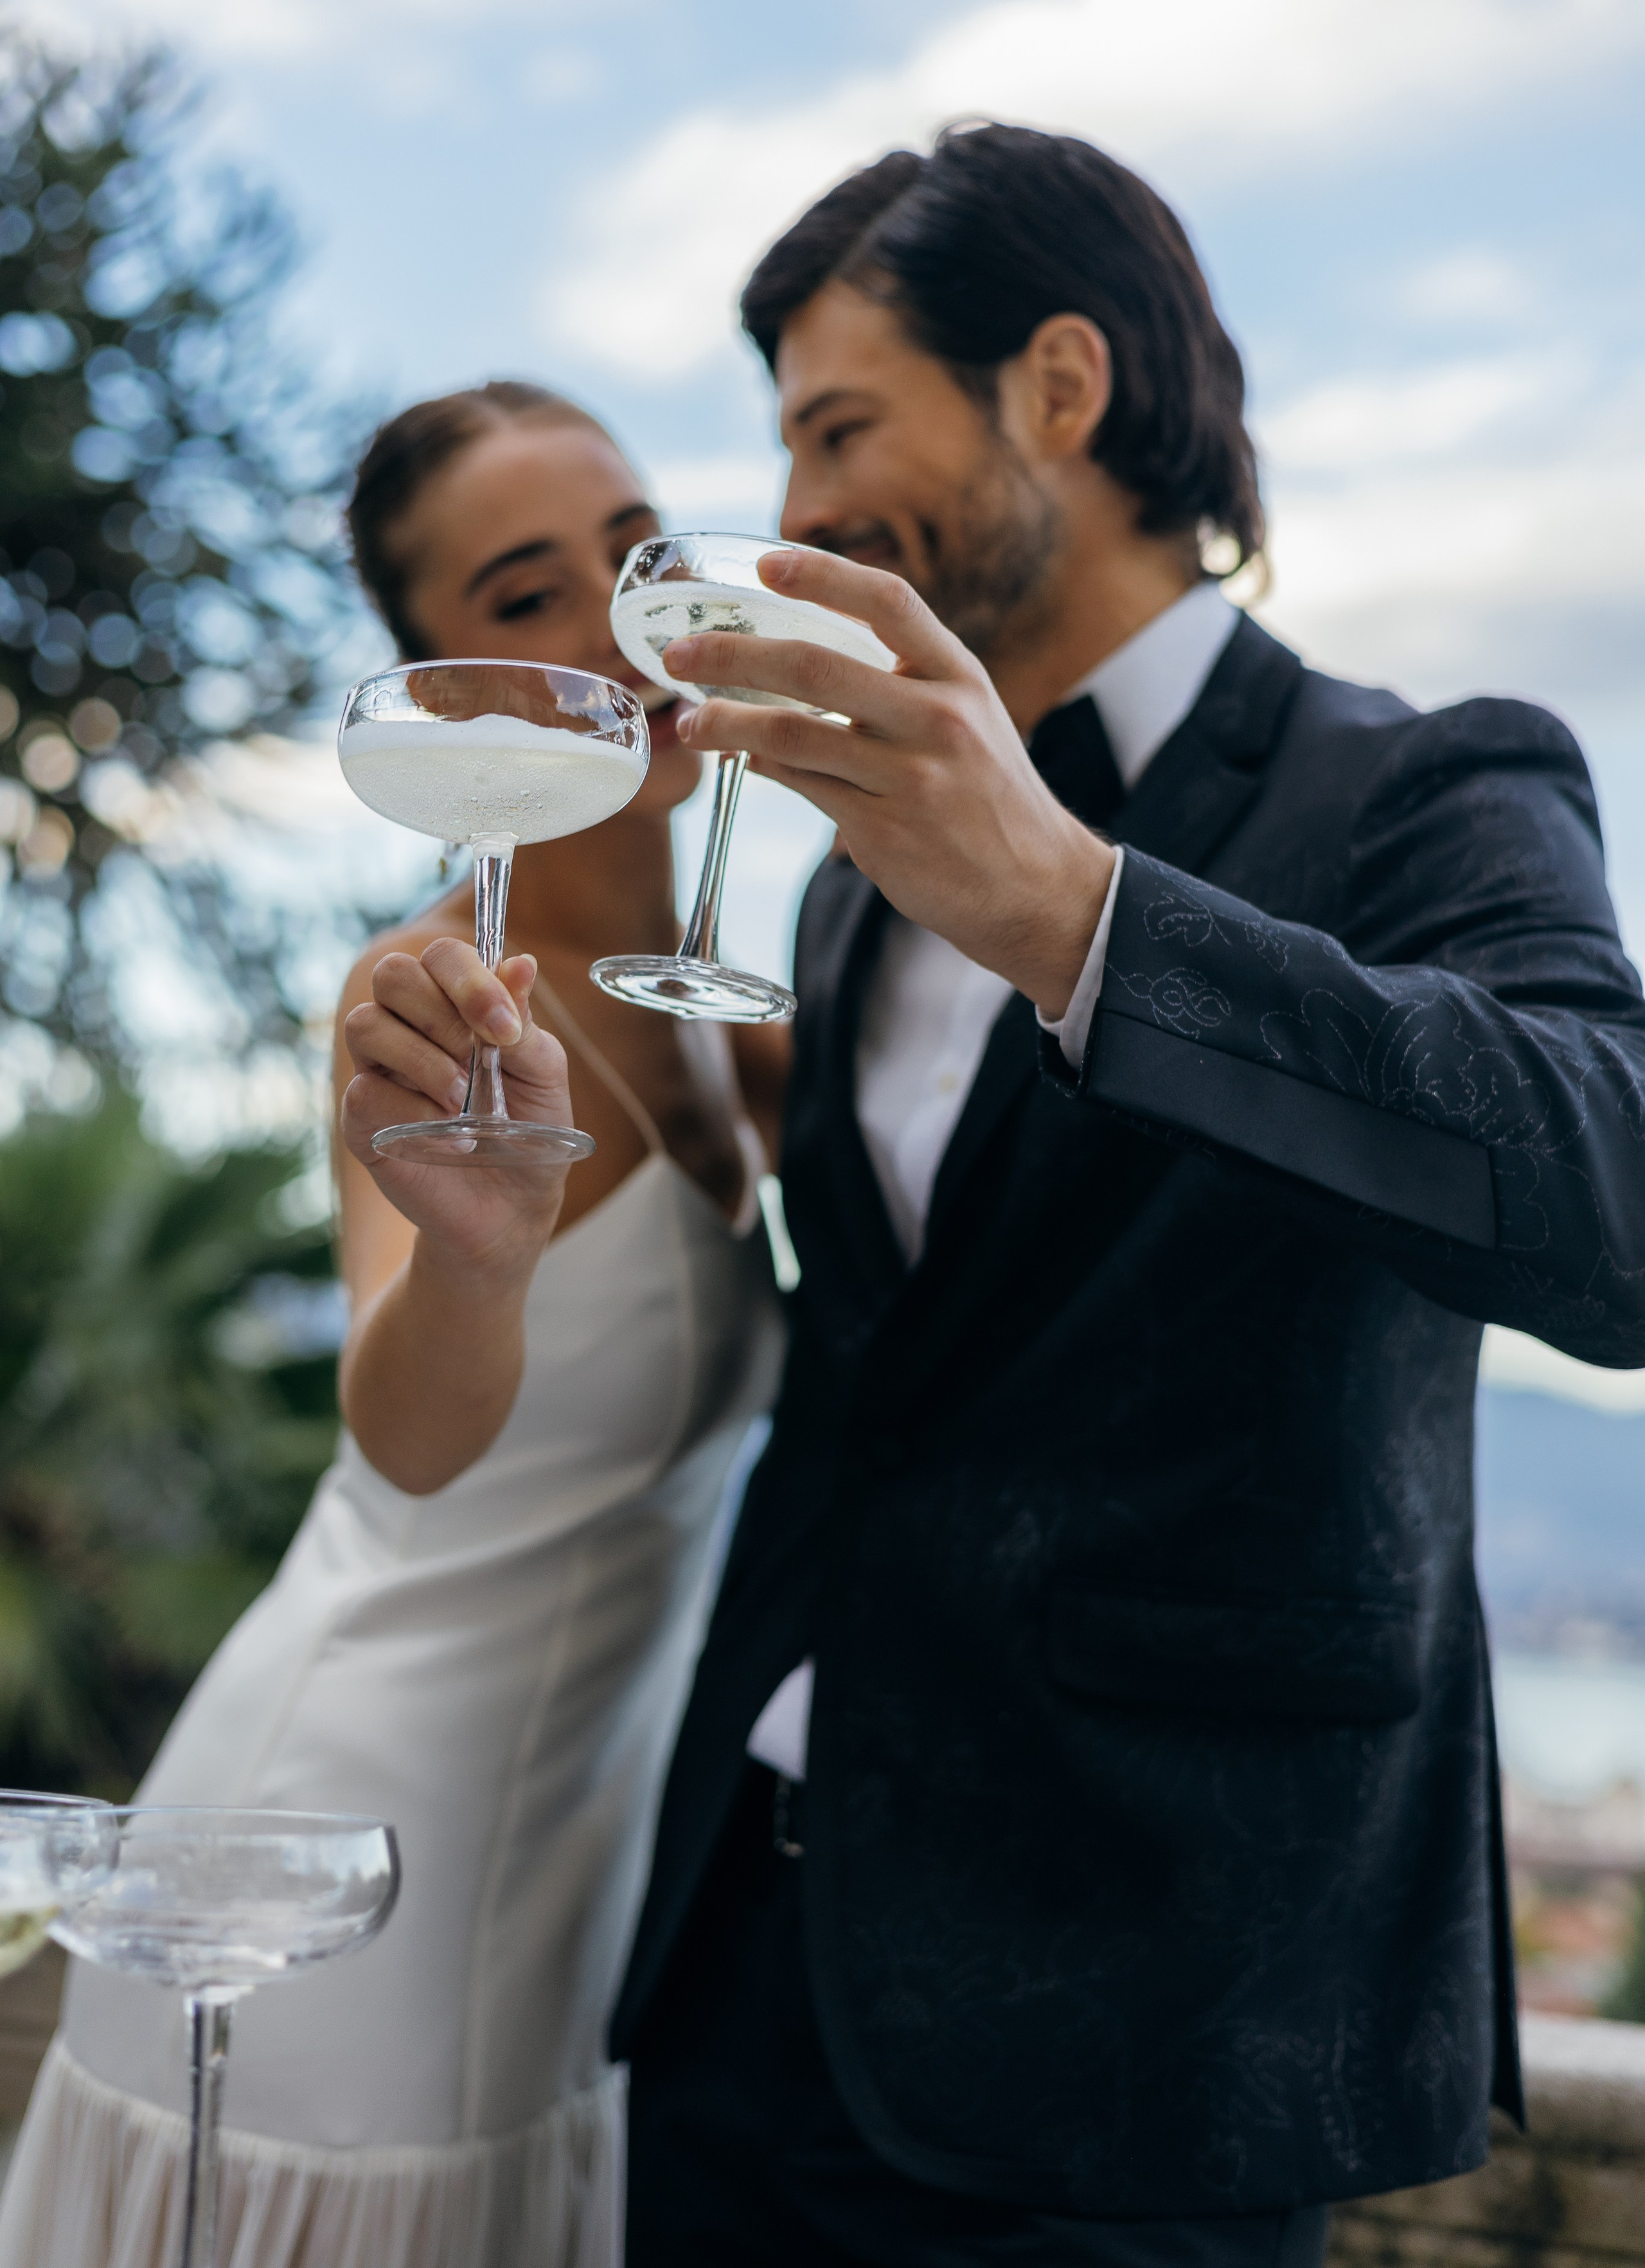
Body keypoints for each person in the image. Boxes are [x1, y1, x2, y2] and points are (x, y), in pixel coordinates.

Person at [611, 124, 1645, 2265]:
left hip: (1142, 2033)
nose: (796, 512)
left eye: (839, 424)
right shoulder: (835, 875)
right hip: (734, 1987)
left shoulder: (1428, 781)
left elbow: (1614, 1188)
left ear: (1059, 389)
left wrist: (1077, 911)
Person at [0, 382, 786, 2268]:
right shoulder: (435, 991)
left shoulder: (729, 1018)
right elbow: (407, 1434)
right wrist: (479, 1256)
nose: (619, 625)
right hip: (350, 1865)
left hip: (568, 1896)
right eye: (529, 599)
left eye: (635, 552)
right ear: (438, 693)